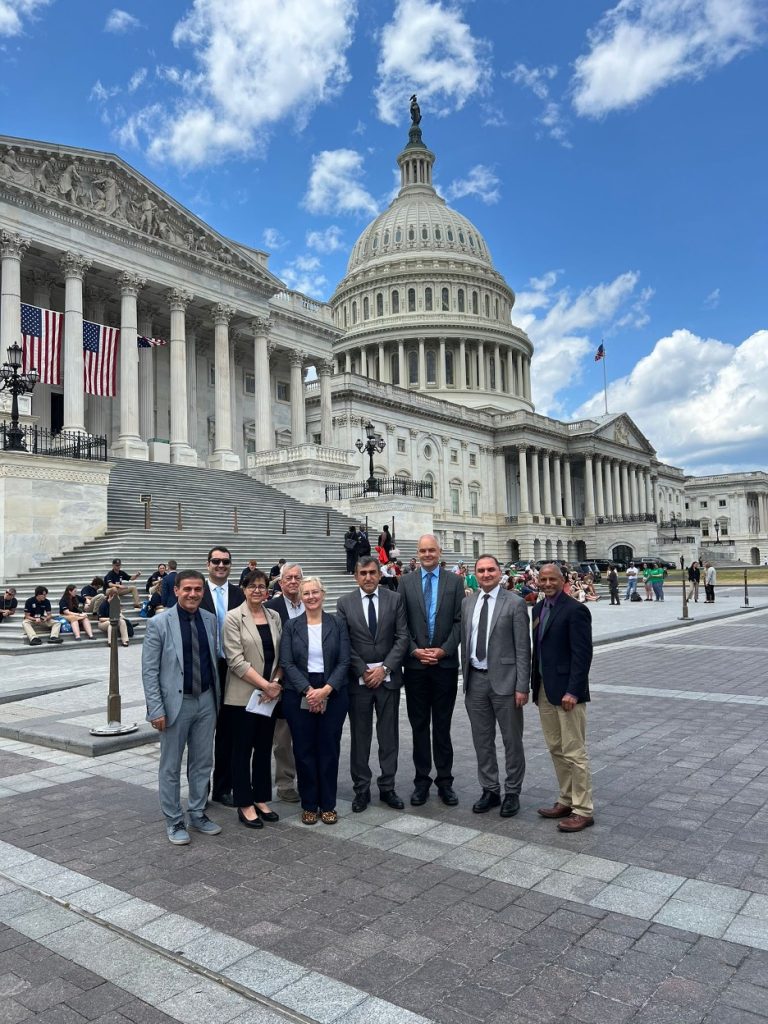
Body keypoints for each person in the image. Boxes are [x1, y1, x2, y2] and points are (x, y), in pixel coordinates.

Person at [141, 569, 222, 845]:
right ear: (176, 590)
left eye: (198, 589)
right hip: (175, 704)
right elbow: (149, 670)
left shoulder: (210, 620)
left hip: (206, 701)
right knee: (171, 766)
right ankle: (174, 820)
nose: (192, 594)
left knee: (202, 763)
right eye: (187, 589)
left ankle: (197, 812)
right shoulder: (159, 623)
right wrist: (156, 708)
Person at [335, 556, 410, 813]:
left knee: (388, 736)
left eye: (372, 572)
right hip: (359, 682)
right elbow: (345, 641)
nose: (368, 577)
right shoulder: (345, 603)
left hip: (388, 680)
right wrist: (364, 670)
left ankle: (387, 787)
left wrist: (385, 668)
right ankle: (362, 789)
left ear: (380, 574)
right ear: (356, 576)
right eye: (363, 573)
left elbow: (402, 637)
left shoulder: (394, 599)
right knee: (360, 737)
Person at [461, 555, 531, 819]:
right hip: (475, 680)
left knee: (512, 740)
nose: (486, 574)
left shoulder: (514, 603)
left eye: (491, 570)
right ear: (475, 574)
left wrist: (522, 686)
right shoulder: (467, 603)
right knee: (482, 740)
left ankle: (512, 791)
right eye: (481, 570)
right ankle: (490, 789)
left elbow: (523, 649)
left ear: (500, 572)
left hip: (506, 682)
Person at [398, 533, 464, 807]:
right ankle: (421, 781)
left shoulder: (455, 582)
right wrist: (414, 649)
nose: (427, 555)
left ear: (439, 551)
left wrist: (444, 650)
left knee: (443, 725)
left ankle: (445, 781)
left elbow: (460, 622)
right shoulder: (405, 582)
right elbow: (400, 624)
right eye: (423, 550)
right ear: (417, 552)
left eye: (431, 550)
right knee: (419, 725)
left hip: (444, 665)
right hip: (415, 666)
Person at [280, 577, 350, 825]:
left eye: (315, 592)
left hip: (333, 688)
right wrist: (310, 691)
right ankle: (309, 803)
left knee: (329, 749)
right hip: (299, 690)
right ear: (300, 596)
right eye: (305, 593)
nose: (311, 597)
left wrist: (326, 691)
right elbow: (286, 663)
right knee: (304, 749)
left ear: (323, 594)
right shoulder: (291, 626)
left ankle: (328, 803)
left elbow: (344, 661)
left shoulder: (337, 623)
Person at [531, 564, 594, 833]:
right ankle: (566, 799)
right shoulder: (538, 608)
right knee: (556, 748)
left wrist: (573, 690)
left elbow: (583, 655)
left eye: (552, 579)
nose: (547, 583)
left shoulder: (576, 610)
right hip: (544, 688)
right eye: (543, 579)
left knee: (574, 751)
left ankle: (583, 809)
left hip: (567, 692)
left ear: (563, 580)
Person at [222, 569, 283, 831]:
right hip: (243, 696)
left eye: (262, 586)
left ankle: (260, 798)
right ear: (243, 588)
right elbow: (235, 660)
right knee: (242, 750)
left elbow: (283, 655)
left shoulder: (274, 616)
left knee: (263, 747)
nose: (257, 590)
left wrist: (276, 683)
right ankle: (244, 803)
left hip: (270, 695)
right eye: (252, 586)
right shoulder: (233, 617)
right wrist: (266, 686)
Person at [200, 546, 245, 807]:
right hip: (206, 669)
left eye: (225, 562)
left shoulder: (239, 594)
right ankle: (200, 790)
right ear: (208, 564)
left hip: (233, 668)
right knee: (203, 734)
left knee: (228, 733)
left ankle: (222, 787)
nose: (220, 565)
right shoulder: (197, 591)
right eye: (216, 561)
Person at [265, 563, 305, 803]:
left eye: (297, 577)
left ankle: (309, 777)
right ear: (280, 583)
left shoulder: (312, 604)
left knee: (308, 735)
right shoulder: (271, 608)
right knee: (282, 739)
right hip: (283, 681)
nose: (293, 581)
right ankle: (285, 782)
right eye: (288, 578)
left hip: (311, 681)